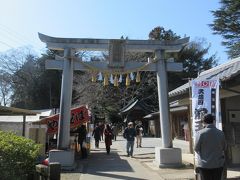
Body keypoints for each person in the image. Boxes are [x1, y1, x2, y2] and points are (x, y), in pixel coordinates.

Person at [194, 114, 227, 180]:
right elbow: (224, 148)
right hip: (217, 163)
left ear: (204, 122)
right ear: (213, 121)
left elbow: (196, 148)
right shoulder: (221, 133)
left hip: (204, 164)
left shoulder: (200, 133)